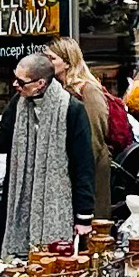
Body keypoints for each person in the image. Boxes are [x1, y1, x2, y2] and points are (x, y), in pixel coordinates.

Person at [0, 51, 95, 256]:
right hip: (18, 201)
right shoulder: (17, 104)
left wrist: (83, 217)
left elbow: (83, 165)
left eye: (21, 81)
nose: (15, 85)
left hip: (58, 203)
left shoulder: (71, 110)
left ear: (41, 83)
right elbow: (0, 145)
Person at [46, 36, 113, 218]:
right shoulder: (56, 90)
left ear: (67, 63)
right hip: (67, 168)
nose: (47, 63)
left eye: (52, 59)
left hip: (89, 169)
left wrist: (81, 168)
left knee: (92, 226)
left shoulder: (87, 90)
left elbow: (95, 133)